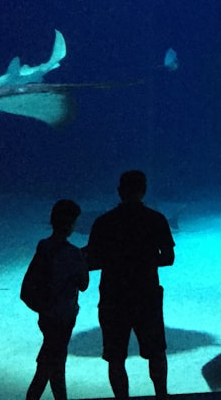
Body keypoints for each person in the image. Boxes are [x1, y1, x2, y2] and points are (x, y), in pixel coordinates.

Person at [84, 170, 175, 399]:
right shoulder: (155, 219)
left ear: (119, 191)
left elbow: (92, 260)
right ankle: (161, 395)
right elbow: (169, 258)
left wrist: (116, 261)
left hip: (114, 297)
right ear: (144, 191)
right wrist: (143, 260)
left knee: (115, 357)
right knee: (156, 353)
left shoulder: (104, 222)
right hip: (147, 295)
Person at [25, 199, 89, 400]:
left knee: (51, 364)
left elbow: (30, 283)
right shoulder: (74, 253)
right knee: (50, 368)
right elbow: (84, 284)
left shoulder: (43, 246)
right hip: (63, 317)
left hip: (46, 315)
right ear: (71, 224)